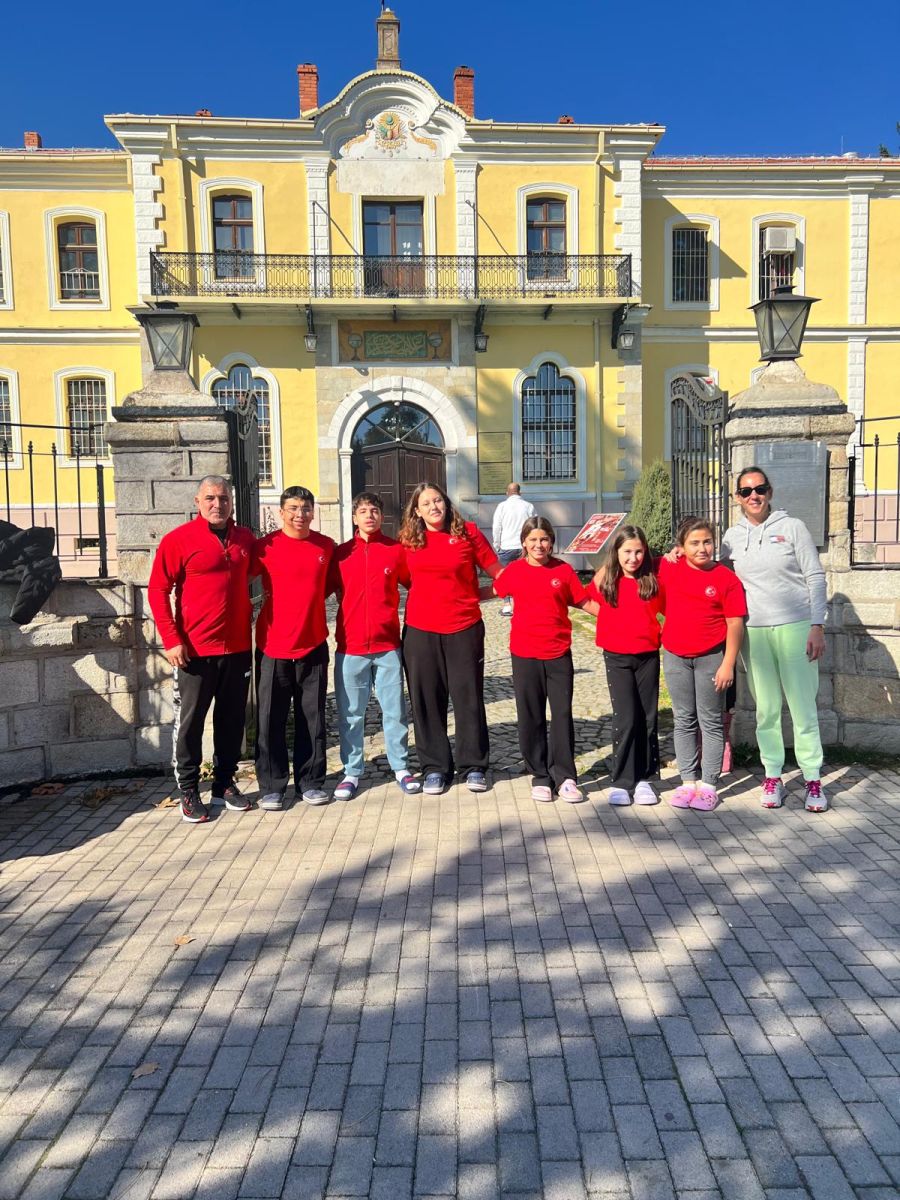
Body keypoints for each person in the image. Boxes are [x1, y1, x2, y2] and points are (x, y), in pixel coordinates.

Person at [720, 466, 829, 812]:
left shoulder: (792, 527)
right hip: (754, 631)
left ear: (770, 491)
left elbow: (815, 577)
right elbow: (714, 572)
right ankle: (772, 776)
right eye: (746, 491)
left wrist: (817, 625)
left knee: (802, 708)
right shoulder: (731, 537)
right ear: (737, 498)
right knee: (766, 710)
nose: (754, 495)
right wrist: (677, 554)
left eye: (760, 489)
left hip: (796, 626)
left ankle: (812, 778)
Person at [148, 475, 255, 823]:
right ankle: (189, 789)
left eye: (223, 498)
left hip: (237, 647)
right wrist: (171, 639)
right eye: (210, 498)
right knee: (191, 721)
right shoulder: (179, 540)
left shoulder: (245, 539)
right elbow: (157, 590)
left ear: (231, 502)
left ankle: (224, 784)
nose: (217, 504)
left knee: (232, 719)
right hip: (194, 650)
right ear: (198, 502)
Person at [400, 482, 502, 795]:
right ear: (417, 511)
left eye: (438, 500)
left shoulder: (468, 533)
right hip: (421, 631)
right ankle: (435, 768)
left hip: (464, 628)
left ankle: (473, 766)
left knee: (467, 697)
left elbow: (500, 575)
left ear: (446, 503)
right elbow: (404, 580)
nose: (434, 507)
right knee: (426, 701)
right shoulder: (408, 540)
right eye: (426, 503)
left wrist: (475, 595)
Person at [495, 517, 599, 803]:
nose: (539, 544)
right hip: (524, 654)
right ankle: (540, 775)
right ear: (524, 542)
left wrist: (617, 618)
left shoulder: (563, 571)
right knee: (531, 716)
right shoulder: (514, 570)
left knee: (562, 714)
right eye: (533, 539)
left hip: (558, 654)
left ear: (551, 541)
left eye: (544, 539)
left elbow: (584, 602)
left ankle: (565, 777)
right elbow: (492, 591)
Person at [331, 491, 420, 801]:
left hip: (387, 645)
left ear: (382, 516)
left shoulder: (395, 551)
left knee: (394, 711)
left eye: (374, 511)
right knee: (351, 714)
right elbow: (317, 590)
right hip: (350, 647)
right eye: (363, 511)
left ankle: (401, 767)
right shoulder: (341, 554)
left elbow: (418, 585)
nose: (369, 516)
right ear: (354, 517)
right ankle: (352, 771)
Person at [254, 486, 335, 810]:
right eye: (293, 508)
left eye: (305, 508)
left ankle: (310, 782)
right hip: (273, 648)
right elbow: (236, 579)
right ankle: (272, 786)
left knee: (312, 720)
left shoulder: (325, 546)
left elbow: (330, 585)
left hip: (312, 645)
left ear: (313, 512)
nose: (299, 514)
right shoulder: (265, 547)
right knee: (269, 720)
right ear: (281, 512)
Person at [658, 517, 747, 811]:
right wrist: (670, 555)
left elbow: (735, 623)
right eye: (694, 543)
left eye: (707, 541)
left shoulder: (726, 579)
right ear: (681, 546)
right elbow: (636, 566)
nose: (702, 548)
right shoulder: (669, 568)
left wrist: (728, 664)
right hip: (675, 657)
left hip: (711, 658)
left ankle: (709, 785)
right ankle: (687, 782)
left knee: (710, 721)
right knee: (684, 719)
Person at [588, 524, 665, 807]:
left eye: (639, 552)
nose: (633, 558)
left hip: (647, 655)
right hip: (617, 656)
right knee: (625, 718)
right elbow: (586, 596)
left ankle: (644, 778)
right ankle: (621, 780)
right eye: (627, 552)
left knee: (647, 717)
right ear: (616, 552)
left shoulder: (652, 581)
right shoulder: (608, 581)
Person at [491, 483, 536, 615]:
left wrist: (497, 544)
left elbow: (497, 527)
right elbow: (535, 526)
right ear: (520, 493)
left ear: (507, 493)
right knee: (523, 576)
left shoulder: (502, 506)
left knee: (503, 576)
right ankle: (520, 603)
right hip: (523, 546)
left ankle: (507, 605)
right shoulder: (528, 506)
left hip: (506, 545)